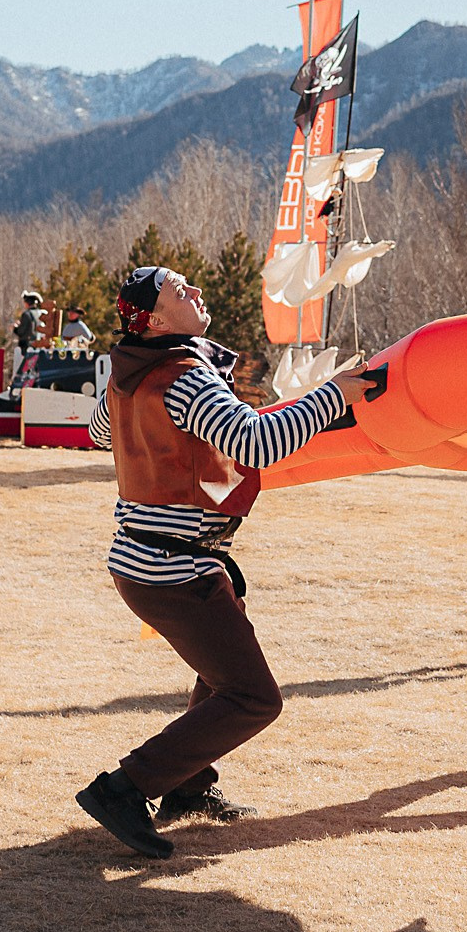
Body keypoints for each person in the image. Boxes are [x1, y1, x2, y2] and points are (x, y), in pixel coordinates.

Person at [75, 265, 369, 858]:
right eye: (180, 291)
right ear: (156, 319)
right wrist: (334, 395)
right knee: (253, 697)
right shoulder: (185, 376)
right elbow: (256, 443)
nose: (196, 292)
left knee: (219, 672)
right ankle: (125, 788)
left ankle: (186, 782)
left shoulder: (130, 373)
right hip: (175, 568)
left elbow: (99, 432)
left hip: (148, 561)